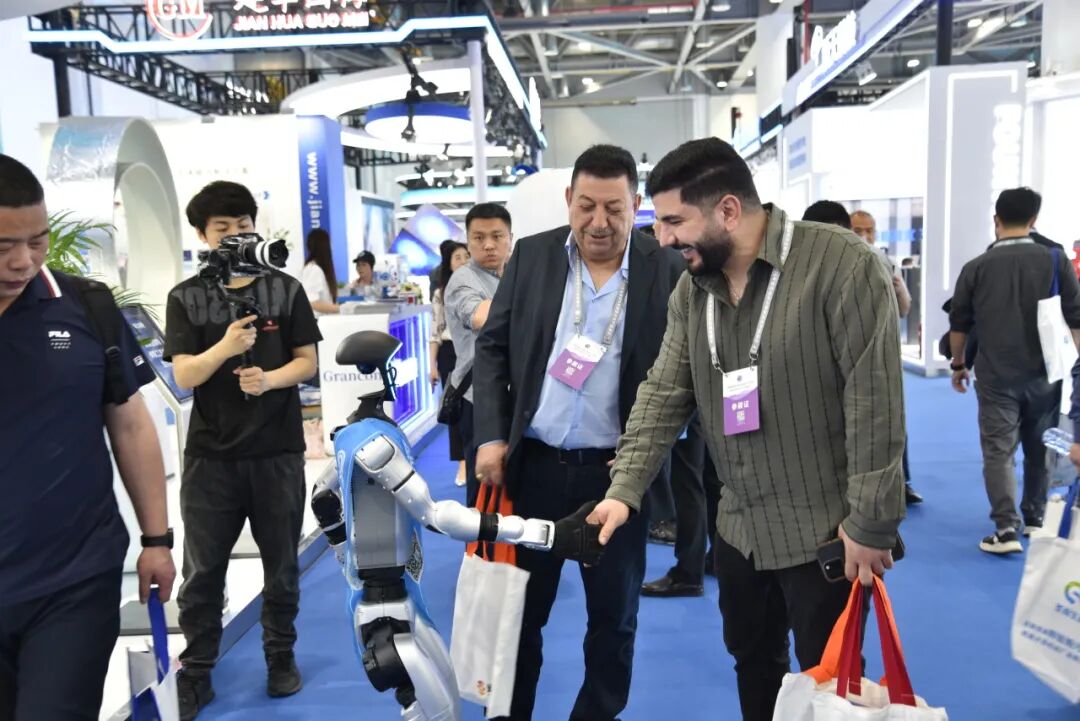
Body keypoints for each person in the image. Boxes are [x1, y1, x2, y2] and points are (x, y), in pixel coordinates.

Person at [587, 138, 906, 721]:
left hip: (826, 534)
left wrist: (870, 522)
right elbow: (663, 392)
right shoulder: (693, 289)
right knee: (754, 667)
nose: (663, 238)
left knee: (830, 688)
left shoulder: (839, 264)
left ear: (728, 211)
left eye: (674, 221)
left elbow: (874, 402)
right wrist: (623, 489)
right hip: (739, 529)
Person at [472, 144, 685, 721]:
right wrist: (490, 435)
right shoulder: (533, 256)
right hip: (534, 470)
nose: (599, 222)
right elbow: (492, 348)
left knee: (613, 623)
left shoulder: (666, 269)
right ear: (568, 199)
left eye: (614, 208)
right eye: (586, 205)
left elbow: (686, 373)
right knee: (518, 617)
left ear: (636, 205)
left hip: (617, 480)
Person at [0, 153, 177, 721]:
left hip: (74, 579)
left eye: (37, 241)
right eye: (3, 246)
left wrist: (157, 540)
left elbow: (130, 424)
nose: (23, 261)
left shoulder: (86, 306)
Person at [163, 180, 322, 719]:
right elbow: (184, 374)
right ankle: (196, 671)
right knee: (203, 570)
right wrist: (225, 348)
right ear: (202, 235)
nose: (234, 235)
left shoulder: (285, 288)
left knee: (281, 564)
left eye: (243, 225)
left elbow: (307, 361)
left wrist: (270, 379)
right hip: (211, 456)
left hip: (277, 450)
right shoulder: (186, 297)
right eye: (222, 228)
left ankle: (280, 657)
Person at [949, 187, 1080, 553]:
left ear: (997, 220)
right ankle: (1035, 518)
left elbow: (959, 324)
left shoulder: (976, 267)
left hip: (995, 377)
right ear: (1034, 220)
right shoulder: (1055, 260)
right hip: (1045, 374)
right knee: (1042, 447)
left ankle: (1005, 529)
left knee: (998, 451)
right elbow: (1076, 316)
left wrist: (958, 364)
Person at [849, 208, 921, 505]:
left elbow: (904, 309)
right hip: (851, 356)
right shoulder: (842, 263)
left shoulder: (885, 262)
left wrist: (898, 288)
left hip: (884, 356)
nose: (865, 236)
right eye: (858, 230)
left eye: (870, 230)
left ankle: (902, 483)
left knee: (894, 420)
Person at [444, 204, 512, 508]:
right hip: (478, 398)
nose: (488, 245)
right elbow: (481, 316)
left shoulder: (511, 275)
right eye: (479, 237)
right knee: (484, 485)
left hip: (511, 394)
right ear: (468, 242)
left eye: (497, 236)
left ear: (510, 238)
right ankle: (479, 538)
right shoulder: (464, 279)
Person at [429, 240, 470, 486]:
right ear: (449, 264)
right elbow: (435, 331)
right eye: (458, 257)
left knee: (475, 407)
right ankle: (462, 463)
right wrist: (432, 366)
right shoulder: (440, 294)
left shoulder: (480, 286)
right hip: (450, 353)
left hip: (475, 352)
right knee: (455, 408)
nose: (463, 261)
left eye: (466, 256)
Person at [301, 228, 339, 316]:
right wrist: (340, 308)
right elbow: (311, 302)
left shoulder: (314, 268)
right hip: (318, 321)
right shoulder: (314, 270)